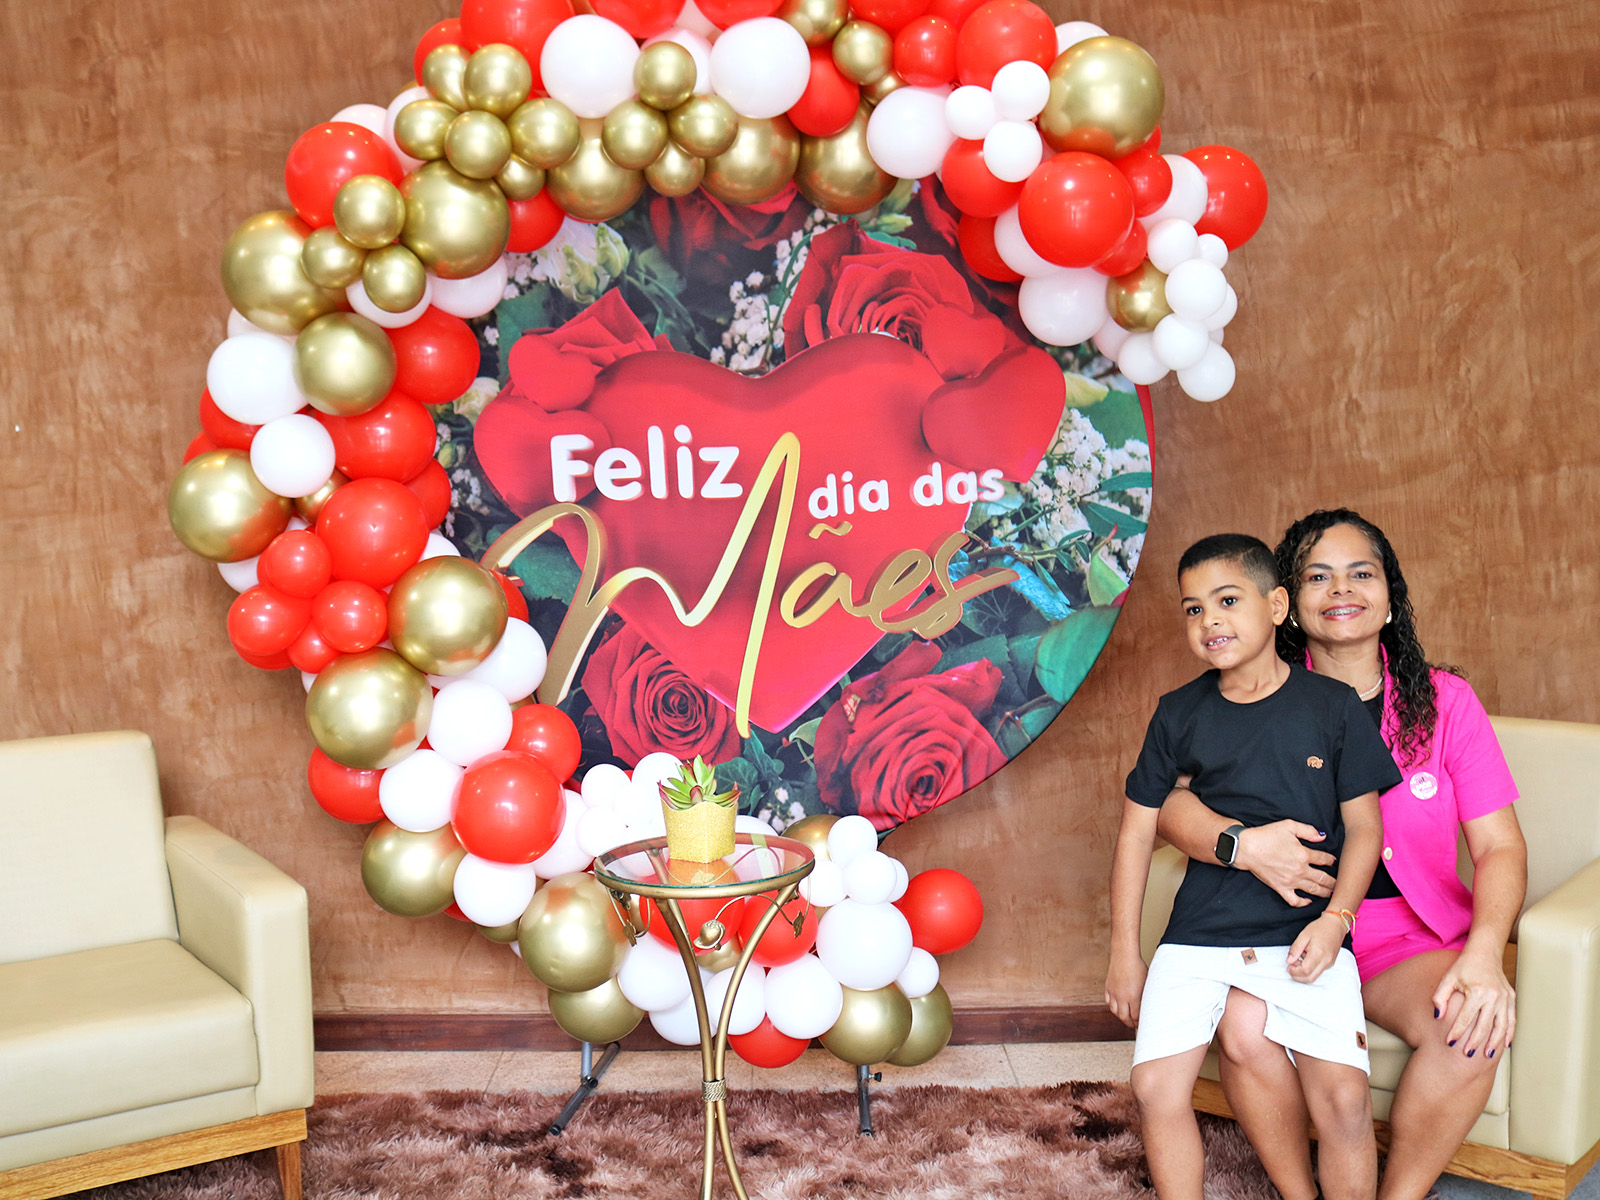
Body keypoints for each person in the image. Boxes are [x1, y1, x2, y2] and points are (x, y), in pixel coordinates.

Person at [1157, 510, 1527, 1200]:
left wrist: (1483, 956)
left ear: (1390, 597)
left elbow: (1500, 846)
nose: (1341, 590)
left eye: (1362, 573)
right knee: (1243, 1030)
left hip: (1406, 940)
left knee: (1469, 1027)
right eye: (1317, 577)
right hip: (1282, 926)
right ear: (1287, 604)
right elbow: (1167, 804)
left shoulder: (1446, 703)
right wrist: (1241, 844)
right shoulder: (1250, 686)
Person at [1107, 533, 1397, 1200]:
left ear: (1276, 606)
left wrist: (1336, 921)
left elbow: (1365, 829)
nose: (1209, 621)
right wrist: (1125, 953)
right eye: (1193, 609)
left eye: (1227, 601)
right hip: (1198, 936)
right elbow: (1136, 831)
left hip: (1305, 935)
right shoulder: (1177, 714)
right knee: (1154, 1087)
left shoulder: (1332, 707)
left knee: (1346, 1103)